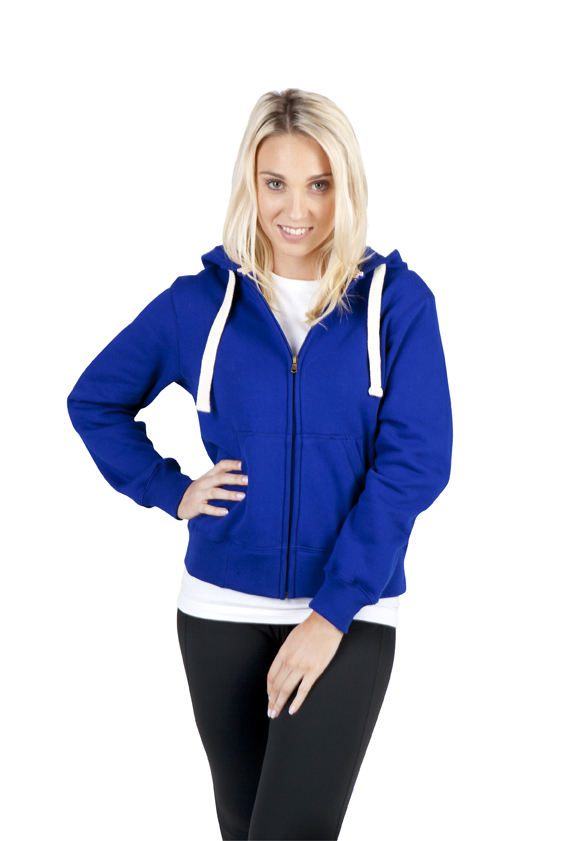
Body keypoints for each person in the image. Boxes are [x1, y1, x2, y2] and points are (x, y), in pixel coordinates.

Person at [67, 88, 453, 841]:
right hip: (218, 611)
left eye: (319, 184)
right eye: (275, 182)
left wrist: (330, 613)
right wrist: (171, 489)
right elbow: (94, 401)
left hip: (349, 613)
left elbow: (416, 464)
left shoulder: (396, 303)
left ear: (347, 187)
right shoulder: (197, 304)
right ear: (250, 183)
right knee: (244, 830)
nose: (296, 209)